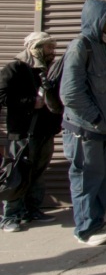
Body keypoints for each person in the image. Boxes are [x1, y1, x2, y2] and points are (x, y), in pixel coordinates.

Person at [60, 0, 106, 246]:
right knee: (86, 180)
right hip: (86, 131)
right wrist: (96, 117)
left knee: (105, 178)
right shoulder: (80, 47)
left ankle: (97, 221)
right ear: (97, 21)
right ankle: (85, 229)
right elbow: (69, 93)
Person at [0, 32, 63, 233]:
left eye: (52, 48)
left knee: (37, 173)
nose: (52, 52)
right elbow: (2, 95)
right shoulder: (16, 68)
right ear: (35, 47)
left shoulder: (47, 71)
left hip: (45, 131)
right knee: (18, 174)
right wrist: (29, 102)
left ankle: (31, 210)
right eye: (48, 48)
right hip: (23, 132)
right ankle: (10, 216)